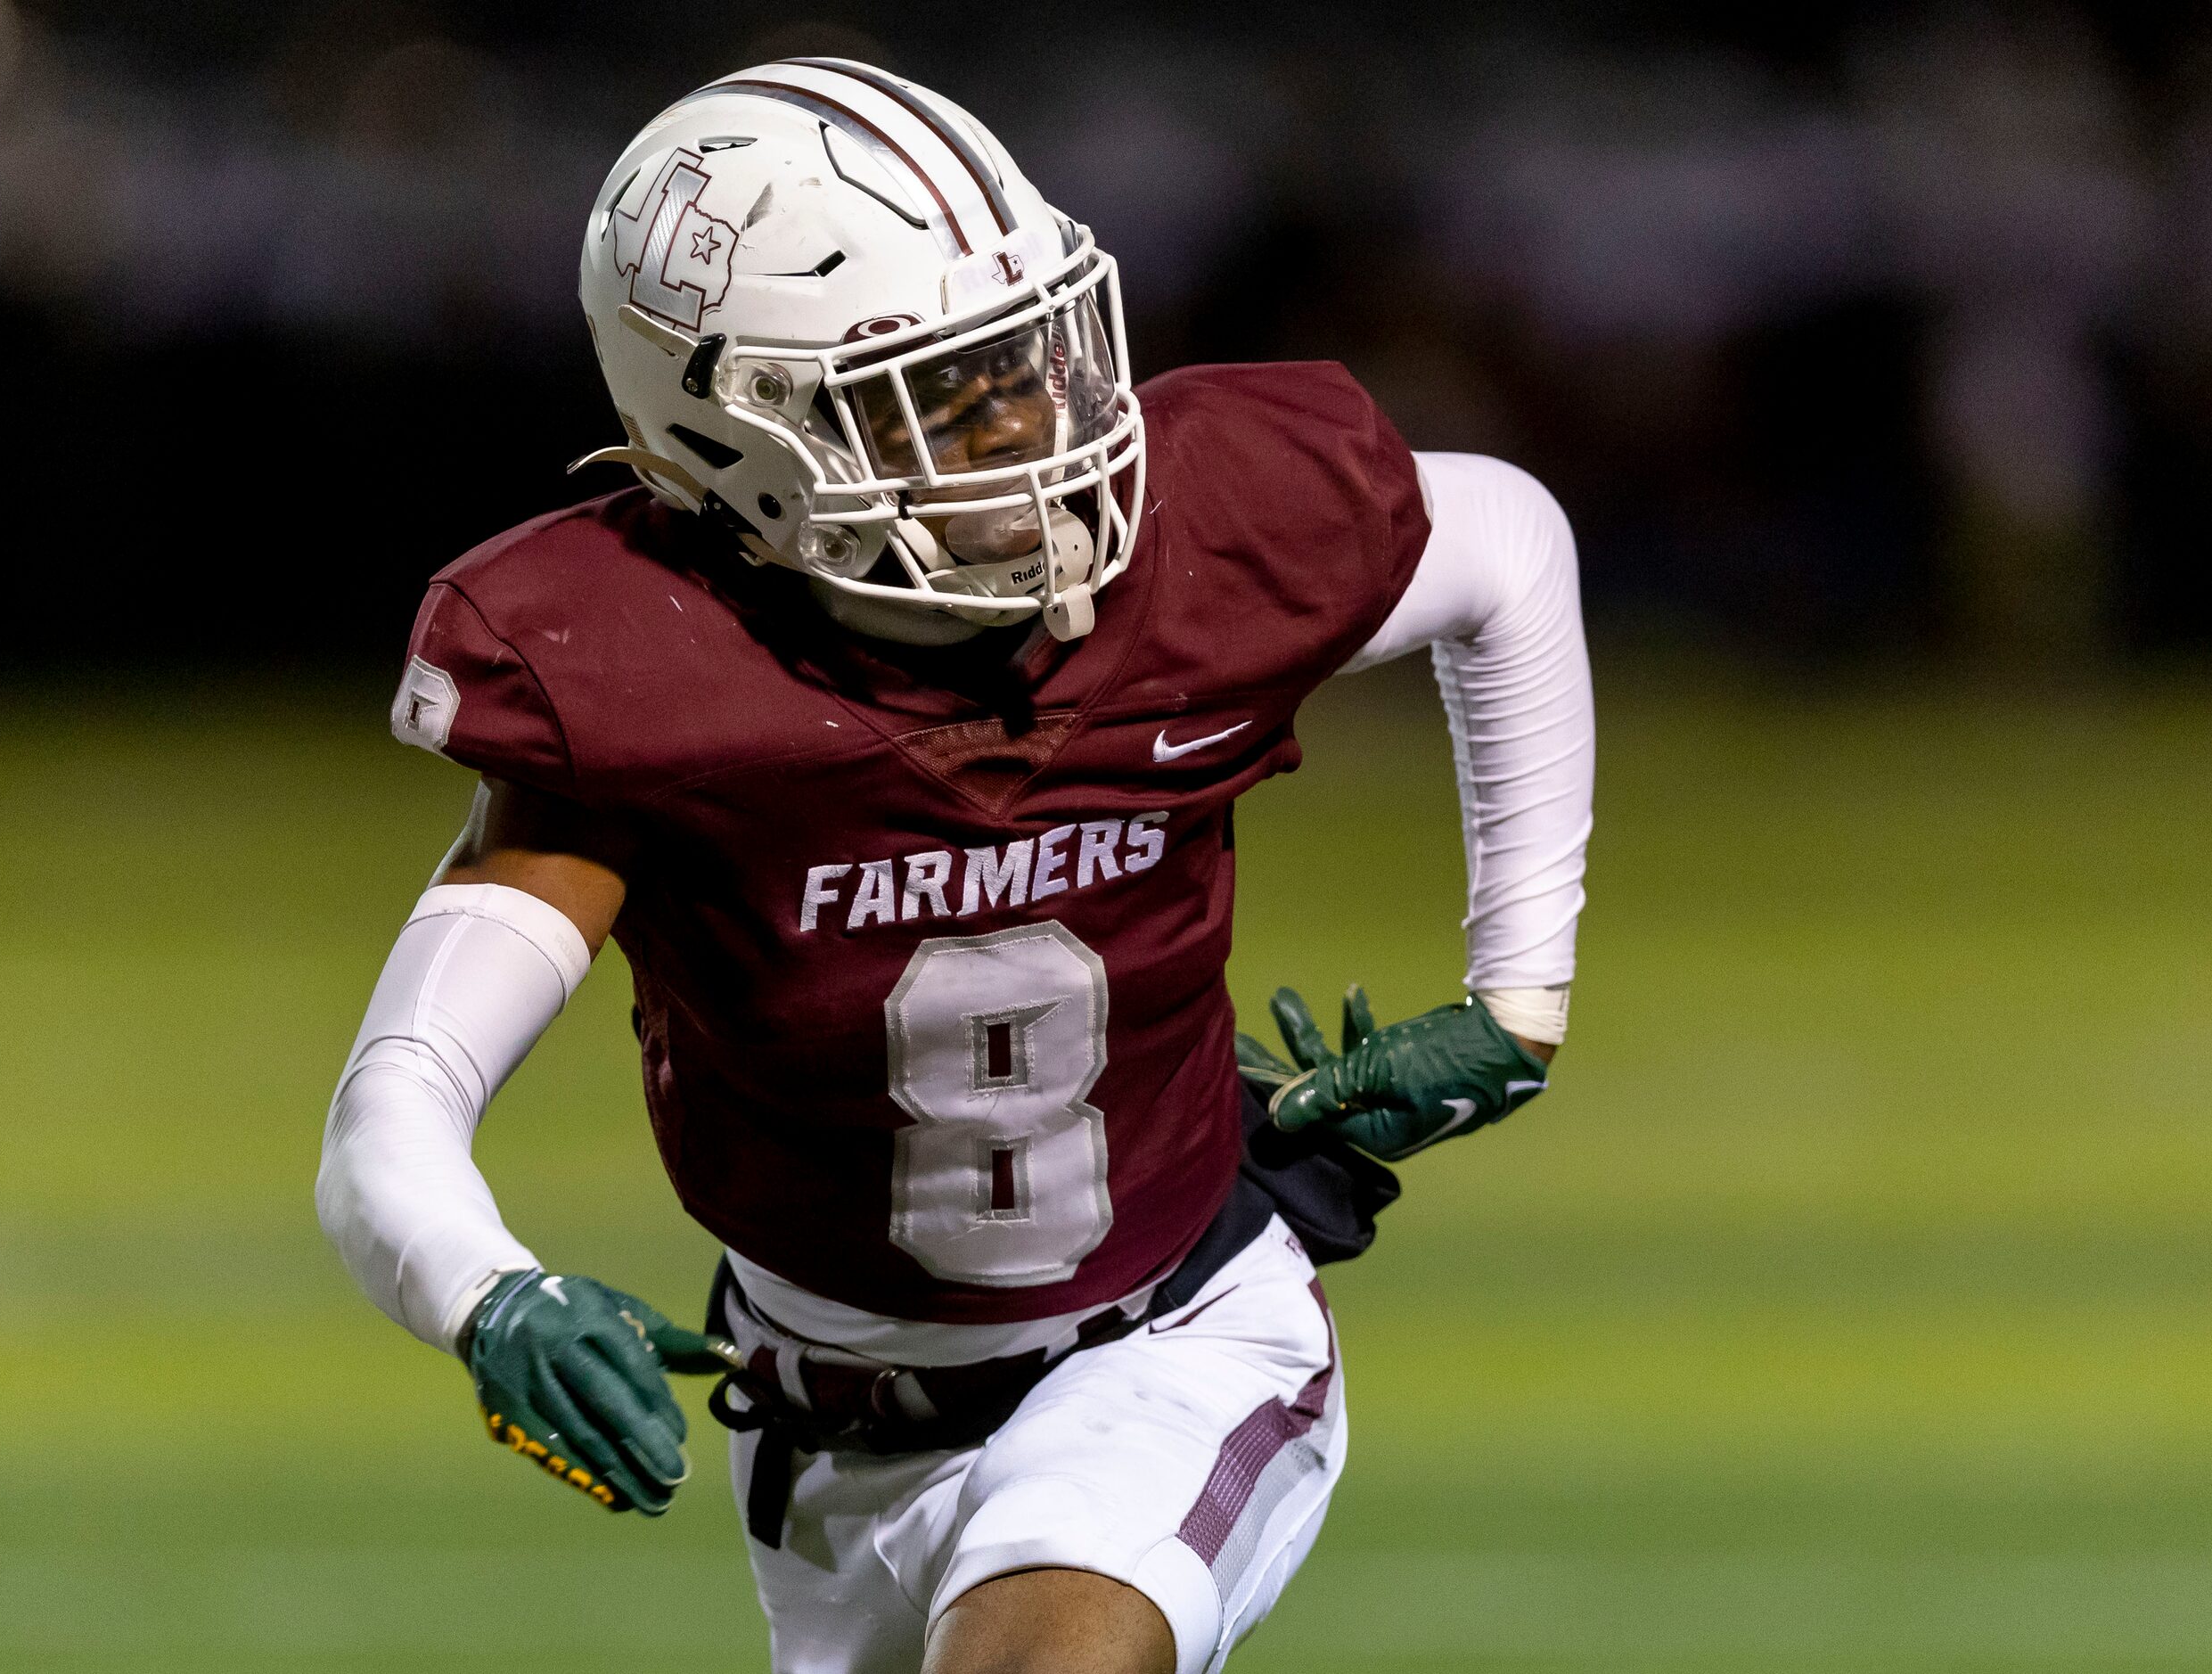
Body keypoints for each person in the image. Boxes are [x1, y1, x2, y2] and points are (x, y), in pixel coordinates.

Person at [316, 57, 1592, 1674]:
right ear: (737, 436)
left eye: (1035, 356)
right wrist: (486, 1294)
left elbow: (1504, 541)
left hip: (1175, 1337)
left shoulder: (1203, 548)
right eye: (943, 394)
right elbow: (391, 1109)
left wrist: (1518, 993)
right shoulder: (646, 684)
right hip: (827, 1434)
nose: (1044, 428)